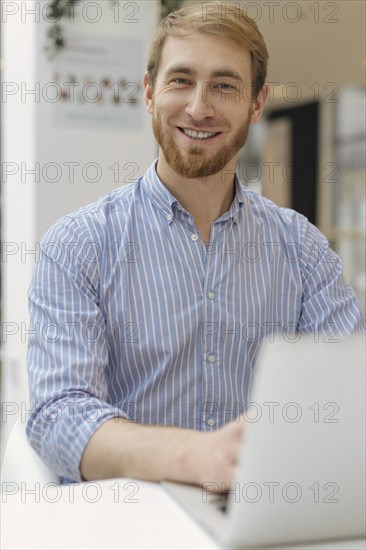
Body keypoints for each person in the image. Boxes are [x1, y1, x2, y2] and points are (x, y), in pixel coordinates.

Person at [27, 2, 364, 488]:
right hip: (124, 524)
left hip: (260, 517)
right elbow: (58, 415)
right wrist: (195, 457)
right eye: (181, 80)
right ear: (148, 92)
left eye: (225, 85)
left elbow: (348, 396)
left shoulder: (303, 249)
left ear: (257, 102)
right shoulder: (77, 245)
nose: (199, 107)